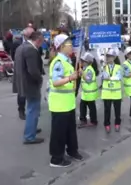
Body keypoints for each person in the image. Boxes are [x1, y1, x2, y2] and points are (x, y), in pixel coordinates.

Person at [49, 34, 83, 167]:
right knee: (59, 132)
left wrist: (76, 76)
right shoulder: (58, 62)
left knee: (70, 130)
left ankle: (72, 150)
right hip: (59, 104)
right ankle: (56, 158)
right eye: (69, 44)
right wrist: (70, 78)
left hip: (68, 103)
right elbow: (56, 82)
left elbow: (70, 79)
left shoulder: (67, 61)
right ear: (62, 46)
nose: (72, 46)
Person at [14, 31, 45, 145]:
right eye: (41, 42)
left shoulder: (21, 47)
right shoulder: (31, 50)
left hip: (23, 83)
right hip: (31, 84)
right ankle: (29, 136)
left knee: (31, 108)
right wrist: (40, 79)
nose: (41, 45)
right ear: (38, 40)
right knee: (33, 109)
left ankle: (31, 129)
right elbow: (33, 70)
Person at [12, 27, 35, 120]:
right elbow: (13, 54)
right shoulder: (17, 43)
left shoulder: (33, 44)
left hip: (29, 70)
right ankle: (21, 110)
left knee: (30, 92)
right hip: (21, 70)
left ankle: (30, 111)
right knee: (22, 92)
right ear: (26, 35)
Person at [101, 49, 123, 133]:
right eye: (107, 56)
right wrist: (103, 67)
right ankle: (107, 124)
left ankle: (117, 123)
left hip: (116, 93)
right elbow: (104, 77)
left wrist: (109, 78)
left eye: (110, 56)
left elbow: (118, 77)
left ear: (114, 57)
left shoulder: (118, 67)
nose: (108, 58)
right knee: (107, 110)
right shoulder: (104, 67)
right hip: (106, 93)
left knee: (117, 110)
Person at [78, 52, 99, 128]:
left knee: (91, 107)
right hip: (85, 93)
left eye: (83, 61)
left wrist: (82, 73)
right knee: (82, 106)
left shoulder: (89, 69)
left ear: (88, 62)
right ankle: (83, 120)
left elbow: (88, 80)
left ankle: (93, 121)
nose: (82, 62)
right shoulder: (85, 68)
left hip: (90, 94)